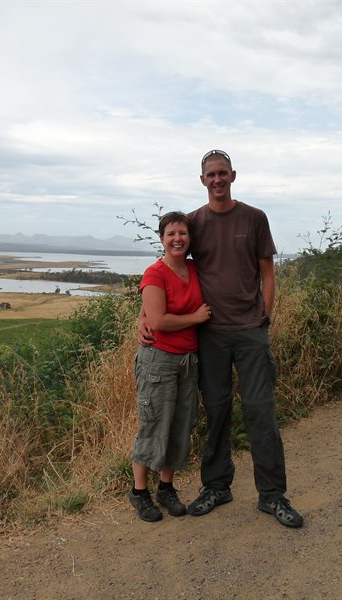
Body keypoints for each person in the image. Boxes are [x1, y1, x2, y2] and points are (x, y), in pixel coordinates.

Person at [139, 150, 303, 528]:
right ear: (202, 180)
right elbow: (169, 267)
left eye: (223, 173)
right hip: (209, 335)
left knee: (261, 412)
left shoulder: (254, 218)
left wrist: (264, 316)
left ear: (233, 176)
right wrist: (143, 316)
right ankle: (216, 486)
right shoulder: (193, 222)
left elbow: (267, 272)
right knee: (216, 412)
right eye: (211, 174)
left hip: (249, 333)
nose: (217, 179)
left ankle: (273, 496)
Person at [129, 211, 211, 522]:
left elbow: (151, 312)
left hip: (188, 360)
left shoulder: (193, 268)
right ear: (162, 239)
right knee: (153, 425)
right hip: (159, 360)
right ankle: (139, 492)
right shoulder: (155, 273)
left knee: (179, 425)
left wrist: (143, 315)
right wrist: (195, 318)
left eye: (183, 234)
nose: (178, 239)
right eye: (171, 234)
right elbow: (159, 321)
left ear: (190, 239)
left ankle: (166, 487)